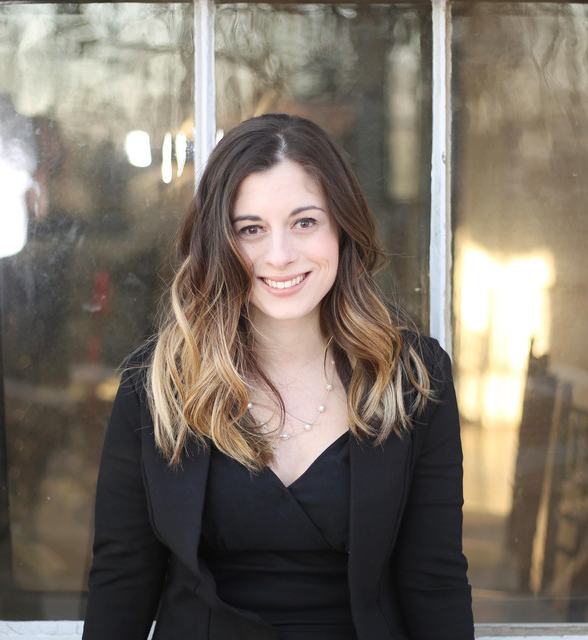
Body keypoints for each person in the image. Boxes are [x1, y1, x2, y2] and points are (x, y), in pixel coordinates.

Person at [82, 113, 474, 640]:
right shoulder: (156, 385)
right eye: (251, 229)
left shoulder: (413, 378)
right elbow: (122, 581)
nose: (281, 256)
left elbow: (435, 580)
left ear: (342, 226)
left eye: (304, 222)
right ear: (218, 242)